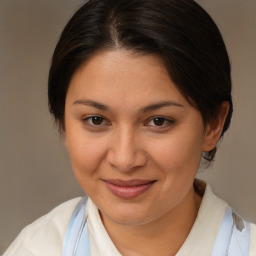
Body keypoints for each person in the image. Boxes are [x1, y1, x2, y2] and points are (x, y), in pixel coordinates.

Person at [3, 0, 256, 255]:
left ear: (213, 124)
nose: (125, 160)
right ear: (63, 124)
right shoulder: (35, 249)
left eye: (158, 121)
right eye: (96, 120)